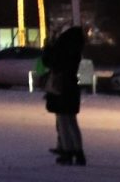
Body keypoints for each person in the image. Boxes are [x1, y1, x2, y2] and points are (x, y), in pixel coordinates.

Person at [43, 26, 87, 166]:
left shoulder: (62, 50)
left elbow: (50, 61)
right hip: (72, 87)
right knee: (71, 121)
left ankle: (67, 151)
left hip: (61, 87)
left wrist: (49, 47)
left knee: (62, 121)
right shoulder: (76, 50)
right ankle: (78, 152)